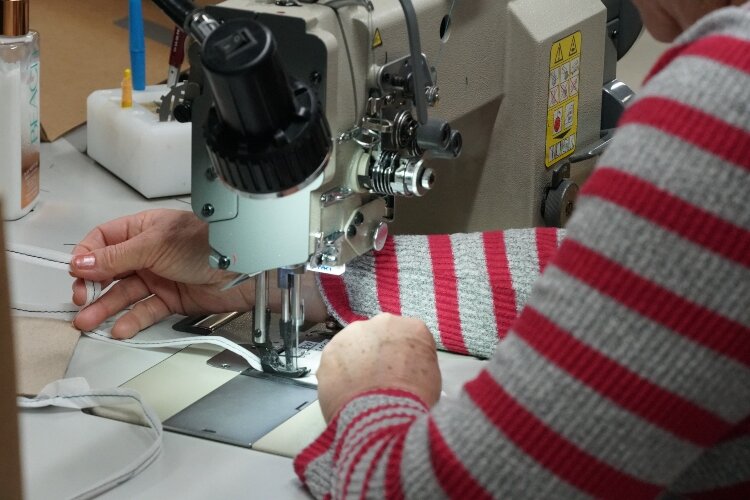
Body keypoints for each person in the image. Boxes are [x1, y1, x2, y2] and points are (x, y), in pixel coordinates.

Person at [70, 0, 750, 496]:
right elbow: (641, 290)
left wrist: (376, 398)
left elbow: (442, 490)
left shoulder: (726, 94)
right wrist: (305, 279)